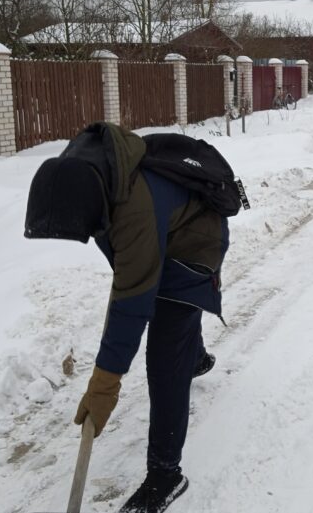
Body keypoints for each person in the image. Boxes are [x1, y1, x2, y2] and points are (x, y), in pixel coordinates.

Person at [24, 122, 230, 513]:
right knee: (171, 322)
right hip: (161, 229)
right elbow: (129, 274)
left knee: (165, 354)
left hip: (197, 242)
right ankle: (194, 355)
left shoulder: (134, 206)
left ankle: (166, 474)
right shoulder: (83, 173)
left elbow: (133, 301)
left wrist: (104, 385)